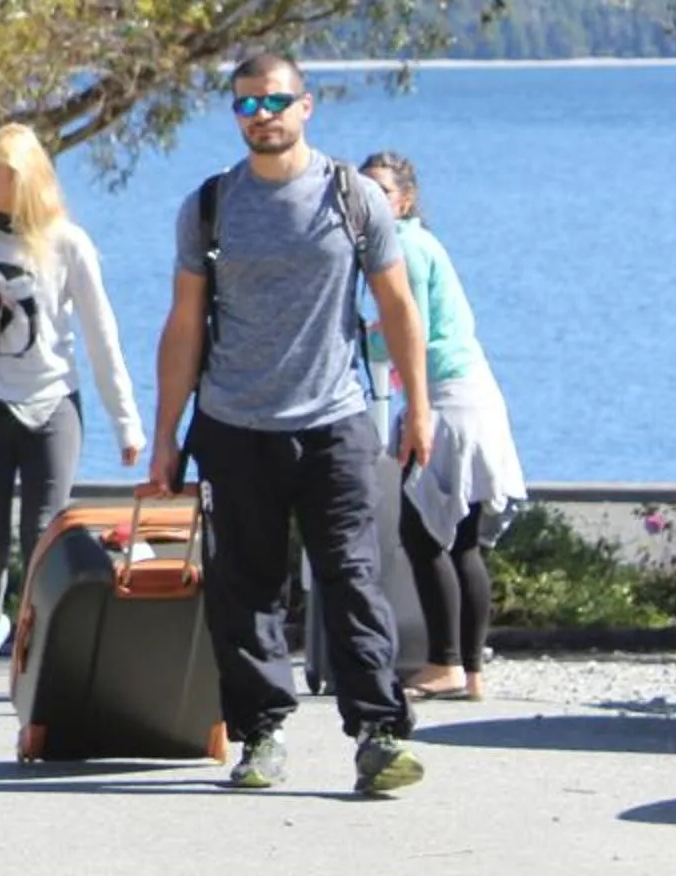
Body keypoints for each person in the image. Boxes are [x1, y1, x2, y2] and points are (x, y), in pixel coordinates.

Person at [145, 52, 434, 797]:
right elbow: (183, 324)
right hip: (234, 423)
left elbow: (397, 305)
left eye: (274, 102)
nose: (261, 116)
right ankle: (261, 736)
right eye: (246, 105)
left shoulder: (352, 196)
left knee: (353, 578)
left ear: (305, 105)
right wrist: (165, 435)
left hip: (335, 420)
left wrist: (418, 405)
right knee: (245, 588)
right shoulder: (210, 206)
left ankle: (378, 735)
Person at [0, 122, 146, 696]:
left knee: (42, 536)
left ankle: (38, 647)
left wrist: (126, 421)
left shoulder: (67, 242)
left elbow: (102, 336)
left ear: (24, 177)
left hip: (54, 405)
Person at [358, 150, 528, 703]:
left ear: (404, 200)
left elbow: (410, 330)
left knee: (425, 533)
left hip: (446, 399)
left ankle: (446, 662)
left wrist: (414, 409)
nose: (369, 202)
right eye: (362, 192)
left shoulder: (403, 246)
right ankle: (469, 670)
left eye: (381, 192)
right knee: (461, 540)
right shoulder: (420, 243)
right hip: (470, 394)